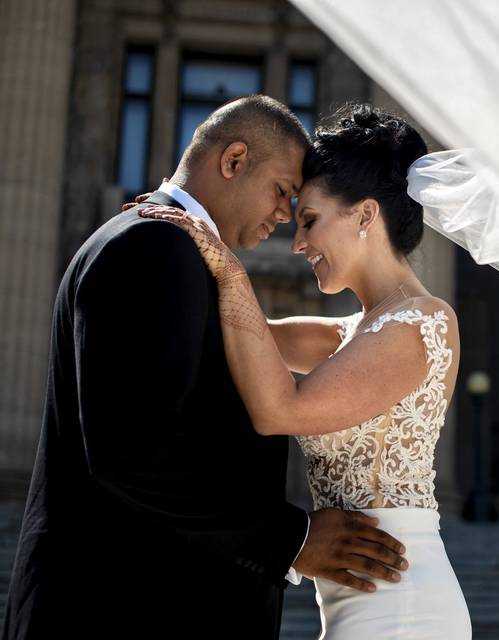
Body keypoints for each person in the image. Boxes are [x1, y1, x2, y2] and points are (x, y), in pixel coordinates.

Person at [2, 95, 407, 640]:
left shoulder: (171, 248)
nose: (287, 218)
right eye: (284, 192)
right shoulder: (152, 244)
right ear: (234, 160)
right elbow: (132, 450)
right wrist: (291, 538)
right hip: (120, 606)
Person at [138, 103, 471, 638]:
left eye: (310, 222)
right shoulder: (347, 334)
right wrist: (169, 247)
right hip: (351, 597)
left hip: (401, 601)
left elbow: (278, 411)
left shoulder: (422, 323)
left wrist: (228, 268)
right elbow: (245, 336)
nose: (296, 245)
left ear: (365, 216)